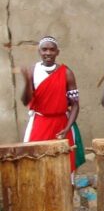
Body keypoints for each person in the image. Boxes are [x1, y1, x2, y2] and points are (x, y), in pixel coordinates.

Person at [21, 36, 83, 172]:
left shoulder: (67, 73)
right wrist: (27, 82)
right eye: (44, 49)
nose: (48, 53)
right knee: (36, 165)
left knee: (65, 168)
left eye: (51, 50)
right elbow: (25, 101)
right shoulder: (32, 71)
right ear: (39, 51)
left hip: (61, 125)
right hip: (39, 123)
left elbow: (75, 105)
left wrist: (67, 128)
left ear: (57, 52)